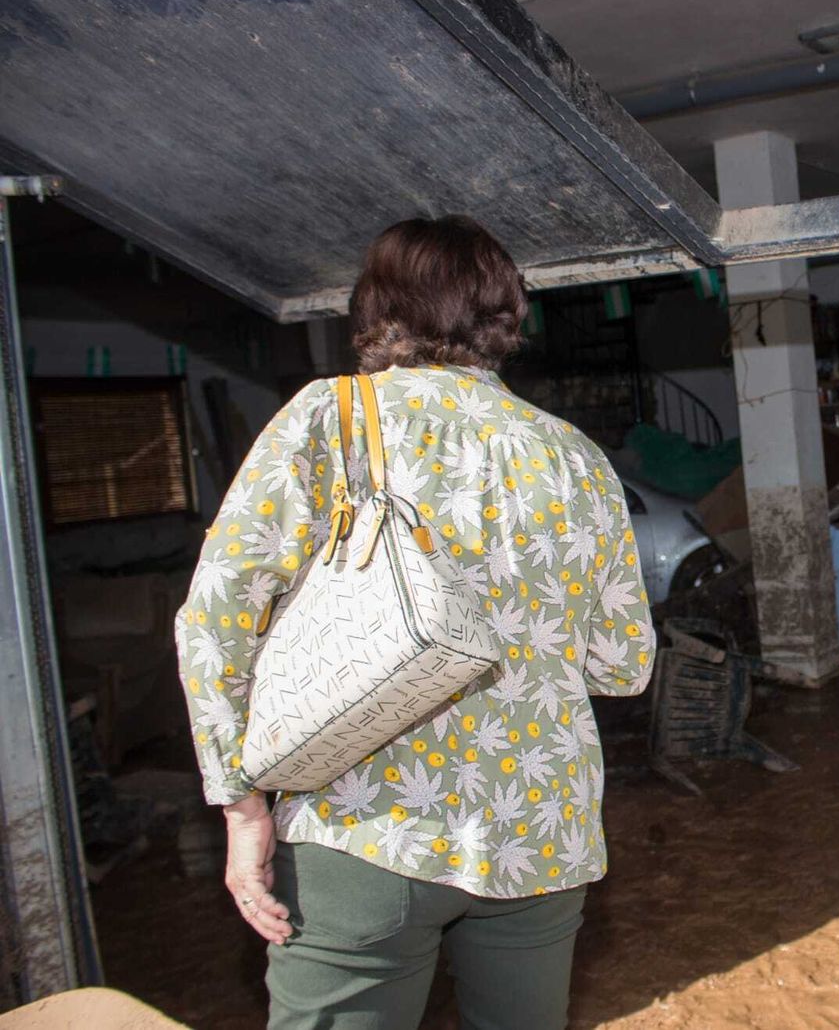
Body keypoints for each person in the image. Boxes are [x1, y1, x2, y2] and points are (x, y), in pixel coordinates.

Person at [174, 215, 655, 1029]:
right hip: (539, 834)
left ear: (374, 310)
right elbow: (621, 665)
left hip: (365, 825)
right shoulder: (575, 455)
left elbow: (216, 619)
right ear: (509, 317)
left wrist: (241, 805)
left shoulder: (328, 420)